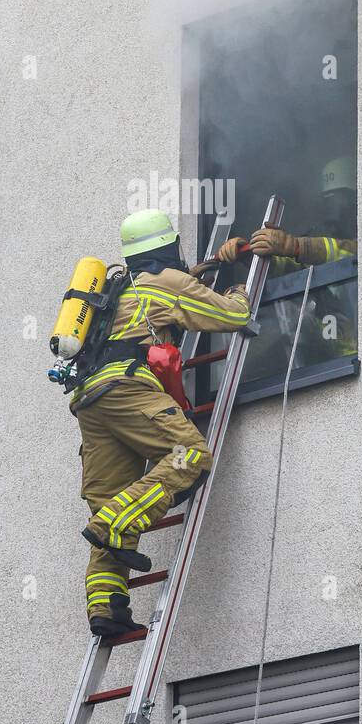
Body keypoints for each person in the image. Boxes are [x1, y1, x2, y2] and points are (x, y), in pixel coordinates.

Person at [73, 208, 251, 640]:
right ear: (167, 246)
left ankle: (107, 607)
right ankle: (116, 523)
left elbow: (159, 308)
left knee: (109, 499)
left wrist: (196, 274)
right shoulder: (166, 283)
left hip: (91, 402)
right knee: (189, 456)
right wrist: (240, 289)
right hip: (127, 388)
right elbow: (230, 317)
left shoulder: (118, 291)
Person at [211, 157, 358, 373]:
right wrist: (249, 256)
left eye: (338, 199)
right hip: (325, 363)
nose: (333, 209)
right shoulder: (322, 238)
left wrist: (296, 246)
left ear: (354, 200)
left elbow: (346, 252)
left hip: (356, 357)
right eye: (328, 200)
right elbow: (291, 268)